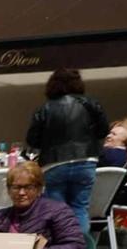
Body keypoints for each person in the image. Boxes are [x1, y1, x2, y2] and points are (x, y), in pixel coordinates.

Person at [25, 67, 110, 237]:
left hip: (54, 162)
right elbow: (103, 132)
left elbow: (32, 140)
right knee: (80, 208)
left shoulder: (45, 109)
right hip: (86, 160)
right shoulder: (91, 104)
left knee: (56, 210)